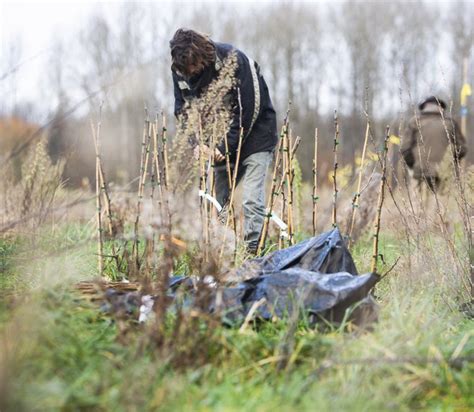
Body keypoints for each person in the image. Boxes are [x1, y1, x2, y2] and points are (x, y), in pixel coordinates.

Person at [170, 28, 278, 253]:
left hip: (256, 136)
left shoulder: (234, 60)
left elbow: (250, 108)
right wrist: (196, 143)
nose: (189, 73)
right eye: (185, 70)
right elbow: (182, 111)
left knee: (250, 199)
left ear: (201, 54)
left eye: (192, 66)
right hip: (216, 144)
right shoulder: (179, 70)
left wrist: (224, 146)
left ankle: (252, 254)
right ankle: (222, 253)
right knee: (219, 203)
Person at [401, 96, 467, 192]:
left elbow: (405, 148)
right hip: (446, 174)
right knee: (444, 206)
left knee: (420, 206)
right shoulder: (450, 123)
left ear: (423, 107)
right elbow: (462, 148)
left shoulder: (414, 122)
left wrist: (414, 166)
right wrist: (449, 162)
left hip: (420, 174)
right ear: (441, 108)